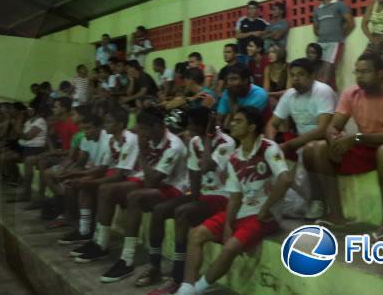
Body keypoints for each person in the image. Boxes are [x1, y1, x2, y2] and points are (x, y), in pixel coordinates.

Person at [175, 107, 291, 295]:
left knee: (229, 248)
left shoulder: (268, 148)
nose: (232, 124)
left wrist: (267, 207)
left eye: (238, 121)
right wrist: (228, 223)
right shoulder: (235, 157)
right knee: (196, 235)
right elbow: (235, 196)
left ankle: (197, 289)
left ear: (252, 127)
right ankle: (186, 285)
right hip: (243, 210)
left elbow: (286, 179)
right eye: (233, 120)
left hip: (264, 216)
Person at [303, 54, 383, 229]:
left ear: (380, 73)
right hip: (365, 146)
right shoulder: (352, 92)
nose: (360, 76)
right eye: (357, 72)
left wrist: (356, 138)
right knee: (315, 148)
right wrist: (333, 138)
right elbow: (333, 126)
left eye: (365, 72)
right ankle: (336, 215)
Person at [139, 107, 236, 294]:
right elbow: (194, 171)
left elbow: (207, 166)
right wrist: (194, 196)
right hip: (204, 194)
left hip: (223, 195)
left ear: (205, 125)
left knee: (182, 213)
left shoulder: (226, 142)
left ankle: (178, 275)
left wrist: (208, 137)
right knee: (160, 210)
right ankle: (154, 266)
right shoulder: (194, 141)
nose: (189, 128)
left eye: (193, 125)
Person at [97, 108, 188, 283]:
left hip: (175, 188)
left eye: (145, 129)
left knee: (135, 197)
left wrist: (141, 148)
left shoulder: (173, 145)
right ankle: (99, 243)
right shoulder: (152, 139)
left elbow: (153, 180)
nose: (142, 133)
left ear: (159, 126)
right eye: (140, 129)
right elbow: (149, 178)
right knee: (106, 190)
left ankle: (128, 259)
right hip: (155, 183)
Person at [268, 58, 337, 220]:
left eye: (301, 74)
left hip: (325, 143)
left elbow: (322, 130)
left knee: (310, 150)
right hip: (301, 144)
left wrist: (289, 145)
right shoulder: (290, 95)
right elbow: (272, 124)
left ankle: (318, 201)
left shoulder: (322, 91)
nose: (296, 79)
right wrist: (271, 144)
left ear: (312, 75)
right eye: (292, 75)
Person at [68, 107, 140, 261]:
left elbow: (120, 175)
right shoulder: (113, 140)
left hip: (136, 177)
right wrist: (77, 176)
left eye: (109, 122)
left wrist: (87, 181)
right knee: (90, 184)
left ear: (120, 124)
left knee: (104, 189)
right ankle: (93, 237)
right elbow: (103, 168)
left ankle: (102, 244)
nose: (105, 125)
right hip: (122, 176)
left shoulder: (130, 139)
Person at [58, 107, 131, 245]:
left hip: (114, 173)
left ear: (99, 128)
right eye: (83, 129)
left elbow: (107, 171)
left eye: (89, 129)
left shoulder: (109, 139)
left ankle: (96, 236)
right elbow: (89, 164)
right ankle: (84, 230)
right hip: (103, 171)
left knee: (87, 184)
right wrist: (71, 173)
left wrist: (78, 176)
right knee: (78, 184)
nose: (85, 132)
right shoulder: (98, 139)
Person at [0, 101, 49, 187]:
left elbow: (27, 136)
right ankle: (17, 177)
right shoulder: (29, 121)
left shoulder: (40, 121)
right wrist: (19, 122)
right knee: (3, 157)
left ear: (34, 110)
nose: (27, 111)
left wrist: (18, 128)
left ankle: (21, 182)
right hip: (23, 146)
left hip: (33, 148)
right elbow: (18, 133)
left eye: (29, 109)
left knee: (8, 158)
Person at [312, 0, 355, 66]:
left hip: (335, 43)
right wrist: (322, 34)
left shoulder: (339, 5)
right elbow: (315, 29)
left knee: (330, 68)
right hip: (320, 43)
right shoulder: (317, 10)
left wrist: (341, 36)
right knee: (319, 67)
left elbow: (351, 24)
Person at [216, 64, 269, 128]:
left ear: (245, 80)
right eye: (228, 79)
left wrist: (231, 97)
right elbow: (219, 120)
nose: (229, 83)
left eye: (234, 79)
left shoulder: (260, 95)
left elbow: (241, 123)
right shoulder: (228, 91)